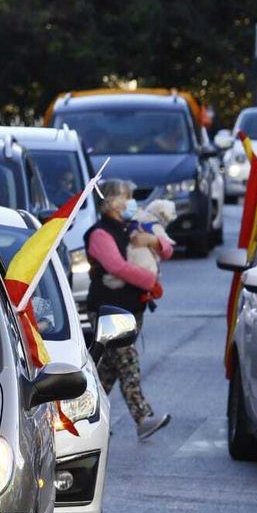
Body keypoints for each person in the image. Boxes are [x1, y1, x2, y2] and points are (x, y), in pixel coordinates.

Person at [86, 179, 172, 439]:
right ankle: (143, 417)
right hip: (109, 310)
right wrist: (151, 281)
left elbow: (167, 249)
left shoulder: (130, 227)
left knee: (109, 370)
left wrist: (154, 242)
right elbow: (117, 267)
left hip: (133, 309)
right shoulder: (100, 233)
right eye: (126, 197)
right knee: (127, 360)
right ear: (111, 202)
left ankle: (85, 417)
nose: (130, 203)